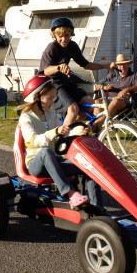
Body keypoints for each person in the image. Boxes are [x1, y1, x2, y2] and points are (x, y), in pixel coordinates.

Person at [18, 74, 98, 209]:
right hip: (36, 164)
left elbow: (63, 132)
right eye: (50, 98)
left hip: (55, 160)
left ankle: (97, 208)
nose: (52, 101)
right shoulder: (26, 118)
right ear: (37, 98)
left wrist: (79, 130)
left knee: (88, 165)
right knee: (45, 151)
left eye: (54, 98)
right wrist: (55, 132)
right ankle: (70, 194)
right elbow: (33, 140)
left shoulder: (51, 115)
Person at [39, 17, 111, 128]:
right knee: (73, 109)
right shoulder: (52, 48)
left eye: (67, 35)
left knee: (91, 104)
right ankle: (62, 139)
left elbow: (87, 65)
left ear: (71, 34)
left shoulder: (72, 46)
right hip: (53, 84)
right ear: (54, 36)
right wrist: (59, 67)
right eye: (60, 36)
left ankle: (76, 130)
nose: (64, 39)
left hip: (66, 82)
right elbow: (46, 71)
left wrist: (106, 66)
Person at [93, 53, 137, 125]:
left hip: (123, 101)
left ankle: (98, 122)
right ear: (117, 66)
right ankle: (97, 128)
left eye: (124, 64)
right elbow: (96, 85)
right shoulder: (113, 75)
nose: (122, 67)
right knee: (97, 100)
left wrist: (127, 89)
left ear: (128, 64)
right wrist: (104, 87)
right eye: (120, 65)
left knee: (116, 101)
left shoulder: (134, 76)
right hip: (107, 99)